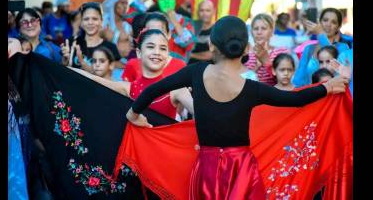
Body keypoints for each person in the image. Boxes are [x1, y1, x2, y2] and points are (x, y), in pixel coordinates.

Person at [125, 16, 348, 199]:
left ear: (212, 45)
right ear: (245, 49)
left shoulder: (195, 73)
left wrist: (133, 113)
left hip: (207, 168)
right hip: (241, 168)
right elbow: (296, 100)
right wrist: (327, 87)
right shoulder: (252, 89)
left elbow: (154, 90)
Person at [71, 28, 194, 119]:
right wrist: (61, 69)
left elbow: (204, 115)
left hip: (165, 150)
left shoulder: (176, 90)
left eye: (162, 48)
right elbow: (92, 79)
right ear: (139, 53)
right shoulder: (128, 88)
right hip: (132, 150)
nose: (157, 52)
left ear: (167, 55)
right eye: (151, 47)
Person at [293, 8, 351, 87]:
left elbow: (339, 73)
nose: (328, 24)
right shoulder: (309, 48)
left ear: (338, 27)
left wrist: (321, 34)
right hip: (311, 95)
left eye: (333, 22)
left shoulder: (343, 48)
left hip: (332, 96)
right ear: (319, 22)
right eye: (325, 20)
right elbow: (298, 79)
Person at [122, 13, 186, 82]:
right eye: (150, 31)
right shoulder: (133, 64)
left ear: (169, 34)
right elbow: (126, 90)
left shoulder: (180, 66)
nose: (155, 35)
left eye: (160, 31)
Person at [61, 2, 121, 73]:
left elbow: (111, 78)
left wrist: (82, 63)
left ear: (101, 21)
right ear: (81, 22)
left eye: (94, 19)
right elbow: (62, 72)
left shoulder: (111, 48)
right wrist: (65, 61)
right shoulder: (71, 43)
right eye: (86, 19)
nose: (90, 22)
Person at [245, 13, 290, 86]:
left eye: (264, 28)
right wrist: (257, 66)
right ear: (251, 32)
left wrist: (266, 62)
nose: (259, 32)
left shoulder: (281, 52)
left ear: (271, 31)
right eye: (256, 29)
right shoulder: (246, 55)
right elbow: (242, 83)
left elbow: (285, 80)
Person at [188, 0, 215, 64]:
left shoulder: (217, 29)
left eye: (208, 10)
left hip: (207, 69)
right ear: (197, 12)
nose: (204, 14)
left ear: (213, 12)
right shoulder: (190, 26)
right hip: (189, 67)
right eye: (201, 10)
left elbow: (212, 55)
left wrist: (190, 55)